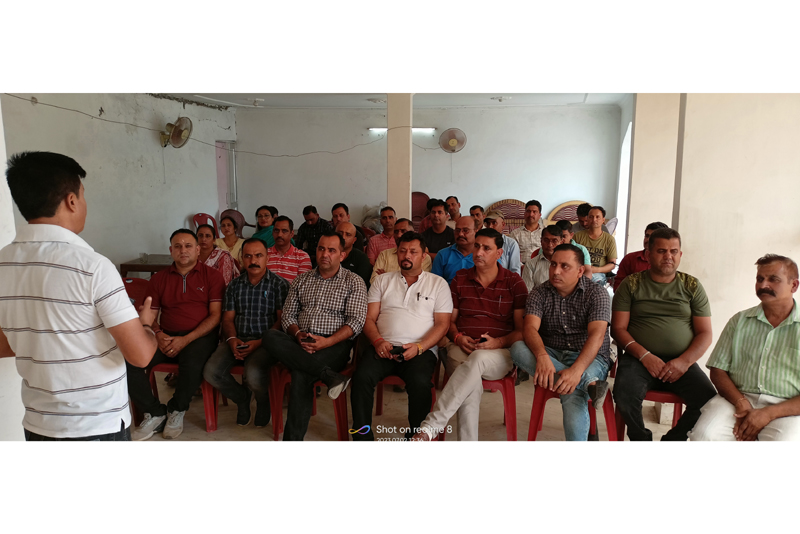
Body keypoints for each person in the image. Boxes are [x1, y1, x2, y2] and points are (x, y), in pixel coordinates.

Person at [0, 151, 157, 441]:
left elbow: (4, 344)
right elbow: (140, 355)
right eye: (83, 195)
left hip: (38, 423)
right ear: (71, 201)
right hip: (97, 424)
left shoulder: (3, 264)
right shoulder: (92, 267)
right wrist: (145, 324)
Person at [411, 229, 527, 441]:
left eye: (486, 248)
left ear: (499, 253)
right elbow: (450, 322)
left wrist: (498, 342)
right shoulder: (461, 279)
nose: (479, 252)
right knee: (470, 384)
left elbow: (521, 331)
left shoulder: (514, 283)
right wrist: (457, 337)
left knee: (478, 360)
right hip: (461, 348)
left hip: (500, 353)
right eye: (477, 246)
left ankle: (430, 427)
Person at [611, 228, 716, 441]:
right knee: (624, 394)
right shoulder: (631, 284)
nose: (668, 256)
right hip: (638, 359)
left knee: (708, 401)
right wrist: (645, 356)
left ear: (680, 254)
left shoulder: (692, 286)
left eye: (673, 251)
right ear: (648, 254)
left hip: (680, 361)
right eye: (661, 251)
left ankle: (671, 442)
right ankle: (642, 440)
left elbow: (705, 333)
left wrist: (683, 362)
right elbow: (618, 329)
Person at [263, 231, 368, 440]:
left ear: (342, 255)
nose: (325, 254)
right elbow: (288, 316)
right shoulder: (301, 280)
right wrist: (298, 334)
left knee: (301, 374)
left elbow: (356, 322)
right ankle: (329, 375)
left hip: (334, 344)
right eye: (321, 249)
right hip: (299, 340)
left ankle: (292, 441)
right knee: (269, 336)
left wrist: (327, 341)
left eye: (331, 250)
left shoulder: (354, 281)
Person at [351, 232, 452, 440]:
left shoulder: (438, 284)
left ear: (424, 255)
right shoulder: (382, 281)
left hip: (420, 350)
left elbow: (443, 324)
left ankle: (416, 436)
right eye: (402, 251)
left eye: (413, 252)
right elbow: (368, 319)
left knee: (421, 383)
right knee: (361, 378)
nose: (407, 256)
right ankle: (362, 438)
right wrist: (378, 341)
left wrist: (420, 347)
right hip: (383, 347)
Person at [127, 229, 225, 440]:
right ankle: (154, 412)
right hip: (165, 336)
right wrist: (158, 334)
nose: (183, 250)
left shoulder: (212, 277)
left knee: (192, 361)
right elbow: (150, 314)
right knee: (130, 360)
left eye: (188, 246)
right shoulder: (159, 279)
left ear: (197, 250)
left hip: (199, 336)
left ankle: (176, 409)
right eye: (178, 246)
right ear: (171, 250)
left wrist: (186, 339)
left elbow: (215, 316)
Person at [689, 254, 800, 441]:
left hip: (787, 407)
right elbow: (718, 370)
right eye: (760, 279)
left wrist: (768, 413)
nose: (763, 285)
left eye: (773, 279)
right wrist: (741, 402)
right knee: (704, 436)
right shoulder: (739, 321)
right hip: (736, 400)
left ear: (794, 285)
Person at [510, 244, 613, 441]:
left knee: (571, 393)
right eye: (553, 264)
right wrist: (542, 356)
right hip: (551, 353)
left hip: (589, 356)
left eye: (564, 266)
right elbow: (529, 329)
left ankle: (579, 381)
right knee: (517, 348)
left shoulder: (596, 293)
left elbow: (597, 336)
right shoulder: (540, 292)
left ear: (580, 271)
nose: (556, 271)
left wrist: (576, 371)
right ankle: (589, 384)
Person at [203, 238, 290, 428]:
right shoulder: (234, 285)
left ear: (267, 258)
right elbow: (227, 319)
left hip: (266, 342)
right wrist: (232, 339)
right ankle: (242, 398)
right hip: (238, 338)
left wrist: (259, 342)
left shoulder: (279, 285)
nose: (253, 260)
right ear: (242, 258)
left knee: (253, 373)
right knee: (211, 372)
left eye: (258, 255)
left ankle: (263, 401)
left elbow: (282, 321)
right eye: (248, 256)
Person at [371, 218, 432, 284]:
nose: (399, 235)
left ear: (413, 232)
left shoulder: (424, 257)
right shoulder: (384, 255)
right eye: (396, 232)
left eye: (403, 231)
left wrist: (386, 277)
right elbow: (374, 281)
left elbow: (421, 283)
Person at [613, 222, 669, 291]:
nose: (648, 240)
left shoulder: (667, 261)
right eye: (647, 236)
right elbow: (618, 285)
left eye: (652, 237)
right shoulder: (630, 259)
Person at [573, 206, 617, 286]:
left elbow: (612, 264)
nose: (594, 220)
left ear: (603, 220)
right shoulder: (577, 236)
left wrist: (596, 269)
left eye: (597, 217)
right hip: (580, 271)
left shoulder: (609, 239)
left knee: (593, 283)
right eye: (591, 217)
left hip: (599, 274)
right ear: (588, 219)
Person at [431, 215, 479, 284]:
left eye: (465, 230)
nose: (460, 234)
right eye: (457, 230)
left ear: (476, 231)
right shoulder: (442, 255)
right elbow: (435, 284)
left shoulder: (483, 255)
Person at [267, 216, 312, 283]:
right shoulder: (264, 254)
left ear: (292, 234)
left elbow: (303, 285)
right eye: (276, 230)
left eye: (284, 231)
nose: (279, 235)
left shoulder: (302, 257)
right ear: (272, 232)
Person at [522, 225, 562, 291]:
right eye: (546, 240)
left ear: (561, 242)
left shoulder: (568, 264)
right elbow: (527, 292)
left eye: (554, 241)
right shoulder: (530, 265)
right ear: (541, 241)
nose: (550, 245)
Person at [483, 210, 521, 275]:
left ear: (503, 225)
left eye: (494, 222)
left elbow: (515, 271)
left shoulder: (511, 244)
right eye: (488, 223)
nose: (490, 226)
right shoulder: (481, 243)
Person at [510, 199, 547, 265]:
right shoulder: (515, 234)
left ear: (539, 215)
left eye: (534, 212)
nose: (531, 214)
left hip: (542, 265)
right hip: (522, 266)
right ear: (524, 214)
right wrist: (521, 266)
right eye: (528, 211)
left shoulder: (546, 232)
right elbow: (512, 254)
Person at [336, 221, 372, 289]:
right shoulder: (327, 254)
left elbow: (360, 284)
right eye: (340, 233)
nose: (343, 237)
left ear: (354, 240)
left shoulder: (362, 258)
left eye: (348, 235)